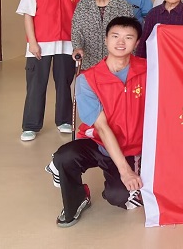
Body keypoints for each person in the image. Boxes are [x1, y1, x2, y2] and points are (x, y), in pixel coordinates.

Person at [45, 17, 146, 227]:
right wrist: (125, 171)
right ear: (106, 40)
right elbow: (102, 127)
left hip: (132, 148)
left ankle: (120, 182)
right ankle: (77, 198)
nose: (121, 42)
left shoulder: (149, 70)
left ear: (137, 43)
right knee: (65, 157)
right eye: (115, 36)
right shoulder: (87, 79)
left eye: (128, 37)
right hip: (98, 142)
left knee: (120, 197)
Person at [16, 0, 83, 142]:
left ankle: (64, 120)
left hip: (68, 42)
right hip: (40, 43)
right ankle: (30, 126)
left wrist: (78, 43)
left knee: (64, 83)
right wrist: (32, 42)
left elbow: (82, 16)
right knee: (36, 84)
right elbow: (28, 15)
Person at [71, 0, 135, 70]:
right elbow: (76, 30)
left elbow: (131, 32)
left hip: (117, 60)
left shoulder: (122, 6)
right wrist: (77, 47)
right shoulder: (83, 6)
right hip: (89, 60)